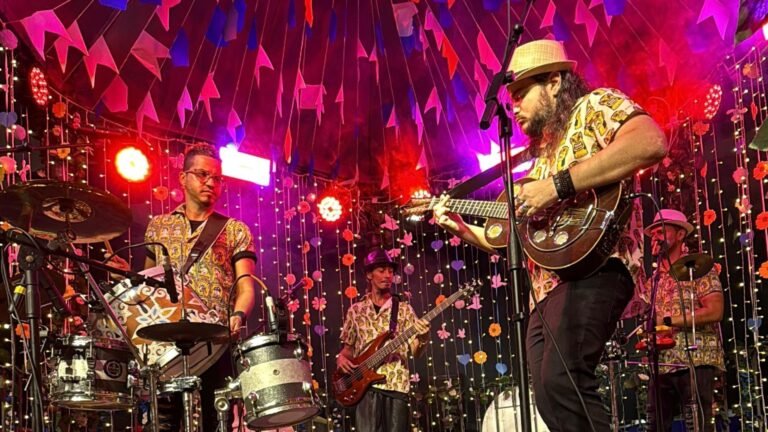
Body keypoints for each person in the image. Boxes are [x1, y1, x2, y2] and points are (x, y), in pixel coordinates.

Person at [433, 39, 668, 432]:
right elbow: (507, 239)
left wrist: (556, 186)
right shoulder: (539, 157)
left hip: (595, 264)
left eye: (521, 94)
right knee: (547, 392)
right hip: (545, 289)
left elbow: (650, 142)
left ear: (555, 82)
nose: (514, 107)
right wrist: (461, 227)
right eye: (511, 99)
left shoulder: (596, 106)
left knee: (562, 380)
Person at [108, 143, 258, 431]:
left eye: (217, 178)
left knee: (216, 421)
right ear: (183, 178)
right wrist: (127, 277)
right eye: (202, 174)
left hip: (216, 341)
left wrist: (238, 316)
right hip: (166, 343)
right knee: (164, 423)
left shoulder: (235, 230)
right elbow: (149, 283)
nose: (210, 183)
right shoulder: (158, 227)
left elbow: (246, 286)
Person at [641, 209, 725, 432]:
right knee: (655, 425)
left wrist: (669, 320)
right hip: (662, 361)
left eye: (661, 231)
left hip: (696, 358)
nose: (656, 237)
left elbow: (715, 311)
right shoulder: (654, 280)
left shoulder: (699, 268)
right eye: (653, 233)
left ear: (680, 235)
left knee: (697, 424)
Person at [336, 249, 430, 432]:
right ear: (369, 274)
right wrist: (341, 359)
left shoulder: (404, 309)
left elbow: (416, 352)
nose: (387, 275)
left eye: (390, 271)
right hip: (364, 388)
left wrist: (424, 337)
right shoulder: (356, 311)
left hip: (396, 385)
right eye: (381, 270)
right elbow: (348, 350)